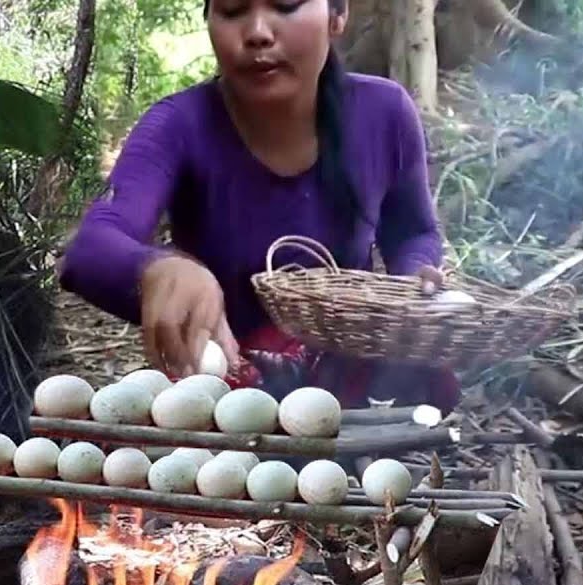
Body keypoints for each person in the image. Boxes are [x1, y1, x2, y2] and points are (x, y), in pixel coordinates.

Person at [58, 0, 461, 412]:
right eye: (232, 11)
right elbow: (91, 249)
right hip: (226, 397)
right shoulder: (179, 125)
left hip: (354, 388)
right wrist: (154, 270)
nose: (257, 33)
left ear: (337, 16)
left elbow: (413, 232)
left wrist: (413, 283)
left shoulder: (385, 113)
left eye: (285, 5)